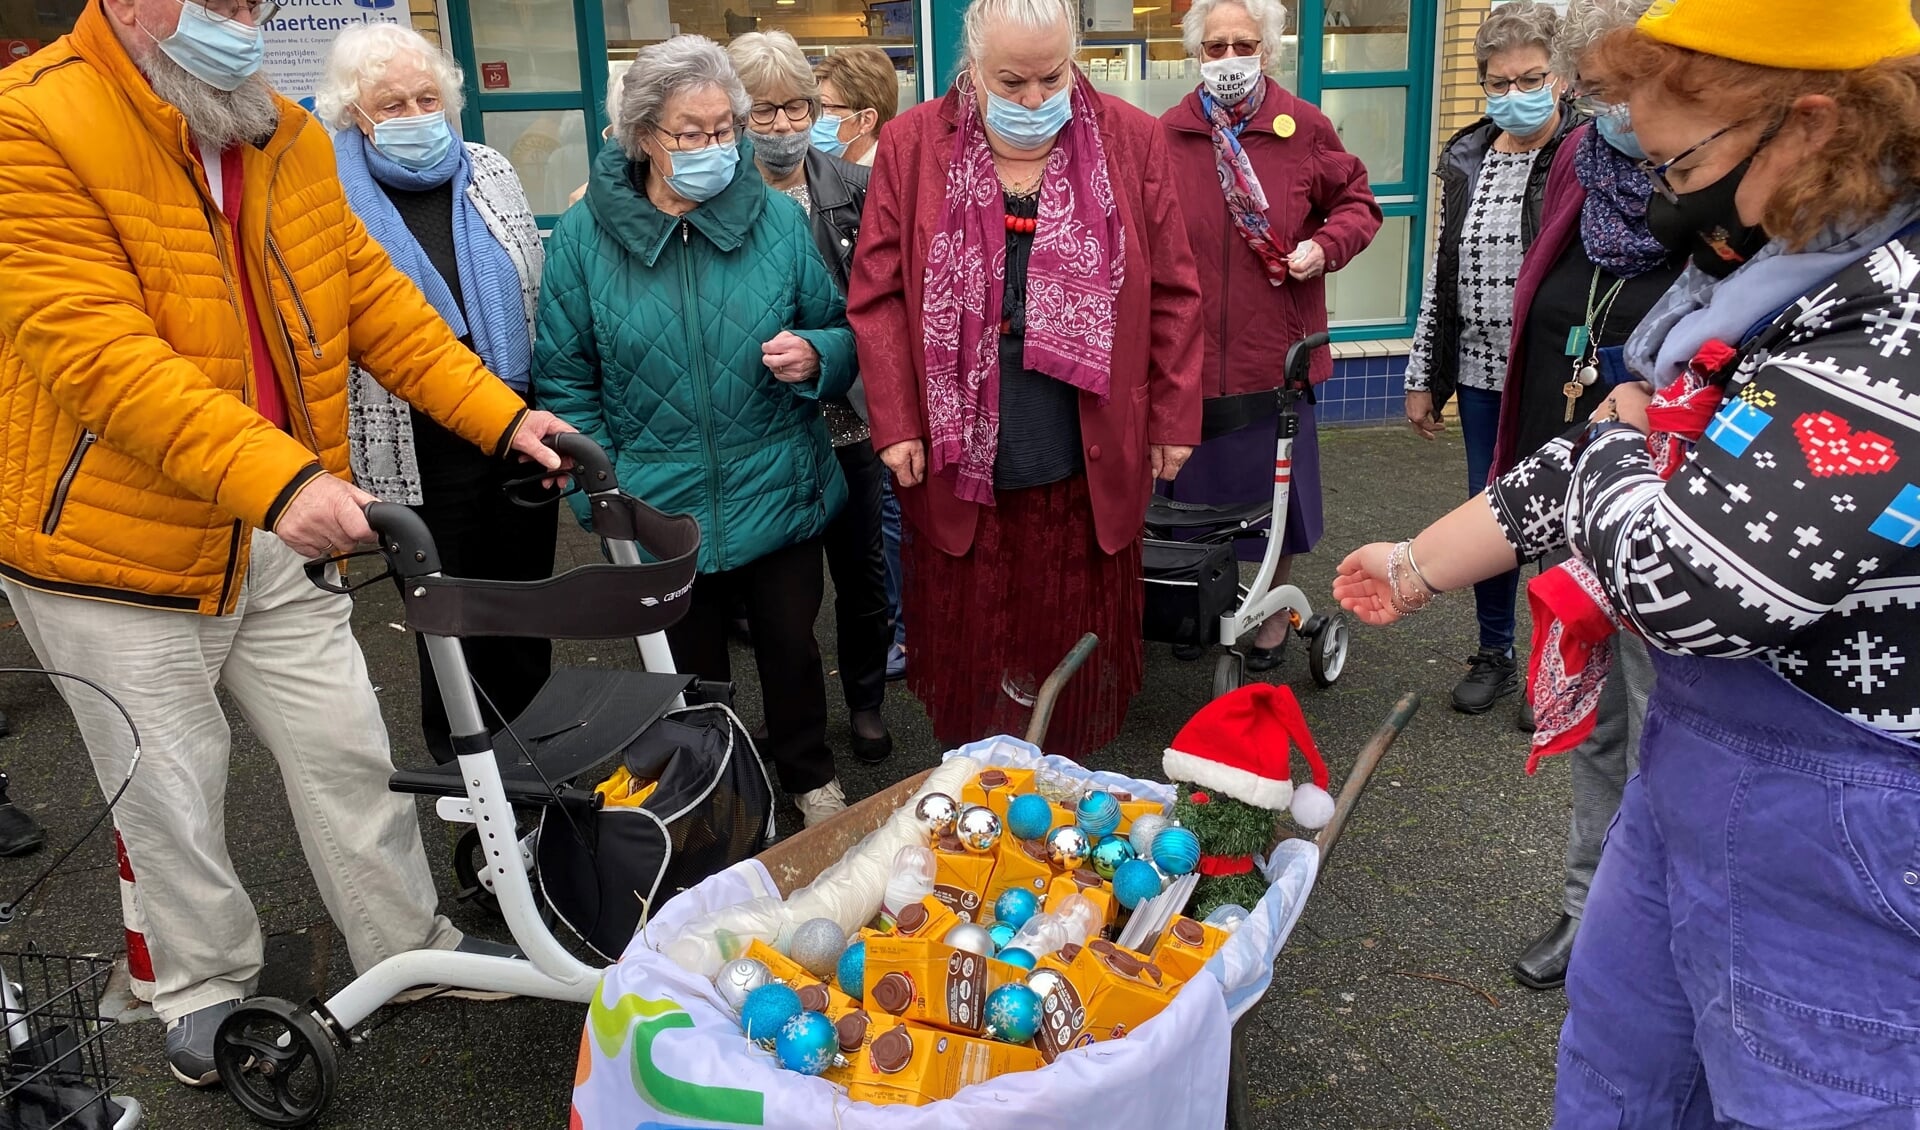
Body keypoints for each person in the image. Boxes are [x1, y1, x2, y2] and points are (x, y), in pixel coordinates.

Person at [1335, 0, 1920, 1116]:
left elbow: (1690, 579)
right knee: (1622, 1067)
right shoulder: (1776, 275)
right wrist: (1416, 562)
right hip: (1699, 773)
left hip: (1842, 819)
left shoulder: (1891, 322)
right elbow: (1590, 465)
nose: (1662, 195)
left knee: (1807, 1089)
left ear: (1807, 126)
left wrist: (1619, 439)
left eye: (1678, 160)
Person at [0, 0, 573, 1087]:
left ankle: (406, 944)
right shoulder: (30, 124)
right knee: (167, 786)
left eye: (252, 3)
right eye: (217, 2)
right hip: (121, 548)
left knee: (349, 746)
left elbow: (375, 303)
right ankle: (200, 986)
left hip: (271, 520)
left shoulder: (278, 130)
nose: (243, 19)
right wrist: (281, 475)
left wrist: (501, 414)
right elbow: (95, 348)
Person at [847, 0, 1203, 758]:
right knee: (977, 617)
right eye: (1011, 81)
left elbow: (1173, 289)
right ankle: (982, 766)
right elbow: (877, 295)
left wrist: (1174, 417)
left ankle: (1065, 767)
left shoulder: (1129, 139)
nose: (1037, 100)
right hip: (958, 438)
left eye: (1053, 77)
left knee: (1064, 612)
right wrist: (897, 419)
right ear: (971, 65)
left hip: (1086, 436)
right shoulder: (912, 144)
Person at [535, 35, 858, 825]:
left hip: (778, 475)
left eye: (725, 130)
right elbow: (566, 378)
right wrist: (601, 495)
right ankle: (709, 795)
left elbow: (843, 330)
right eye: (692, 132)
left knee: (791, 646)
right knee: (686, 668)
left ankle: (808, 774)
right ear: (644, 135)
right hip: (657, 496)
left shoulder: (776, 222)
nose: (715, 147)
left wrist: (816, 355)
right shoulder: (584, 239)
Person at [1490, 0, 1681, 995]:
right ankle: (1585, 909)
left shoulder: (1717, 198)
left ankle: (1655, 926)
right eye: (1594, 90)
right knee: (1599, 718)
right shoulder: (1582, 167)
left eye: (1624, 90)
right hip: (1574, 469)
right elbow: (1540, 309)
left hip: (1671, 505)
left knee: (1664, 726)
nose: (1608, 113)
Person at [320, 24, 557, 764]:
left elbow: (533, 285)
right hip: (408, 439)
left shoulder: (487, 168)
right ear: (352, 112)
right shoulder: (324, 192)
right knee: (443, 615)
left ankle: (539, 747)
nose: (415, 114)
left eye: (427, 97)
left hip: (510, 419)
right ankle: (466, 767)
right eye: (390, 103)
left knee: (523, 604)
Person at [1159, 0, 1382, 670]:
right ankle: (1192, 602)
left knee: (1270, 497)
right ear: (1198, 54)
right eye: (1215, 46)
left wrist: (1324, 246)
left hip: (1272, 354)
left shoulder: (1304, 127)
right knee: (1186, 496)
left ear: (1269, 48)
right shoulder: (1165, 133)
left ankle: (1270, 618)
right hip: (1188, 356)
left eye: (1243, 44)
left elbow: (1358, 205)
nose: (1229, 58)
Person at [1402, 0, 1579, 717]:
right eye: (1499, 81)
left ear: (1561, 78)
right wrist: (1423, 376)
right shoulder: (1468, 155)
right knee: (1494, 512)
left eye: (1530, 77)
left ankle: (1558, 667)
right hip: (1480, 375)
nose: (1514, 93)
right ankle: (1494, 652)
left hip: (1558, 379)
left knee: (1562, 523)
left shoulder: (1581, 154)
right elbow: (1441, 274)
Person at [727, 31, 892, 764]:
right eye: (762, 112)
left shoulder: (853, 190)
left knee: (861, 573)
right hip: (761, 428)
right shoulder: (710, 198)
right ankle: (788, 722)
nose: (785, 125)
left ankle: (865, 702)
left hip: (847, 419)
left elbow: (882, 311)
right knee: (775, 599)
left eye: (798, 107)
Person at [812, 46, 908, 678]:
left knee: (887, 516)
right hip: (847, 377)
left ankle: (898, 630)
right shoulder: (826, 180)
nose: (813, 122)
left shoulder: (878, 187)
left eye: (823, 109)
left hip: (876, 378)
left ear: (864, 118)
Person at [812, 45, 896, 168]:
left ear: (866, 120)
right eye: (813, 105)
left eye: (824, 107)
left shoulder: (889, 180)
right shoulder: (826, 170)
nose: (812, 118)